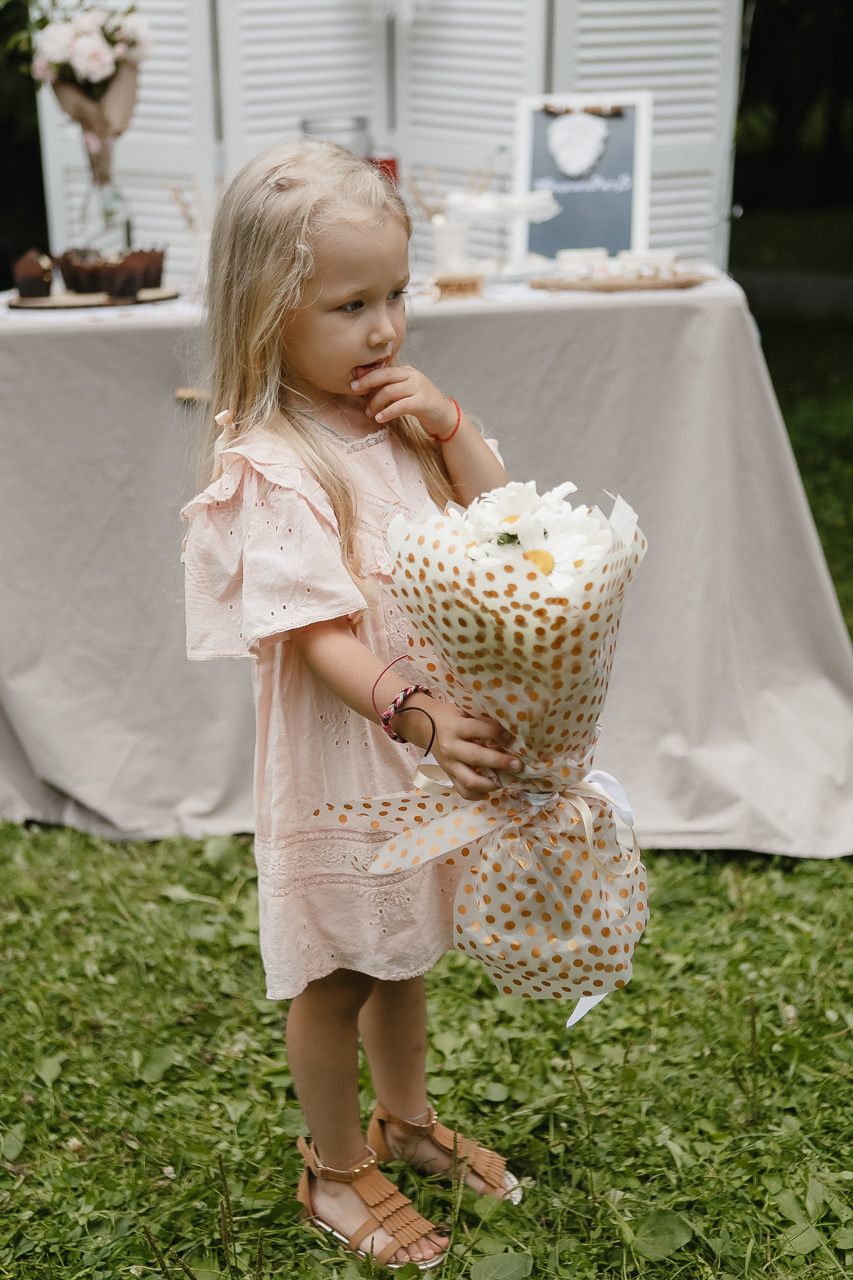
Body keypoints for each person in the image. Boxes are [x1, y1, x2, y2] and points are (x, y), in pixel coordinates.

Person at [182, 140, 523, 1271]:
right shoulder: (276, 461)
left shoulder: (392, 426)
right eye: (349, 305)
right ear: (266, 312)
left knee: (403, 949)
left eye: (396, 296)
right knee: (339, 970)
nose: (384, 329)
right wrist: (416, 711)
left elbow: (504, 518)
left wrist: (447, 421)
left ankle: (406, 1119)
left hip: (407, 761)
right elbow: (317, 631)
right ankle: (333, 1166)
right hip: (351, 756)